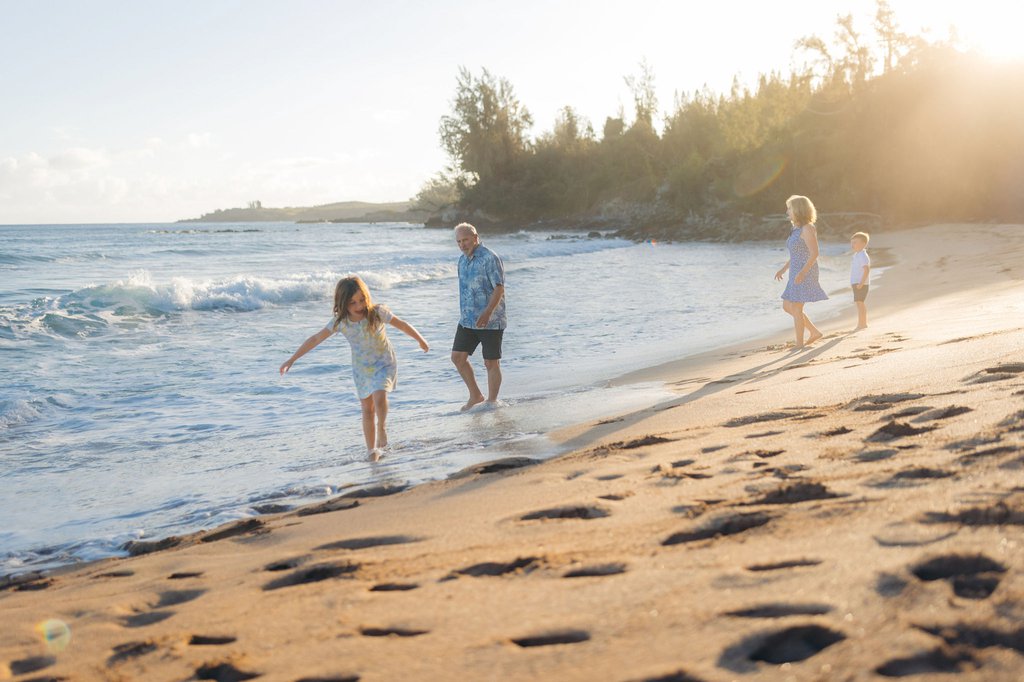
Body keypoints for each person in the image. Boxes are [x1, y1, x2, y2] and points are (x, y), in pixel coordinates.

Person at [279, 276, 429, 458]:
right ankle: (372, 451)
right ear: (343, 303)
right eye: (353, 303)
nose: (359, 306)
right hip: (361, 369)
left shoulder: (377, 313)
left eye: (362, 299)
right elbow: (316, 338)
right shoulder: (341, 322)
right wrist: (292, 359)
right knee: (367, 409)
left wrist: (420, 340)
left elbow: (402, 325)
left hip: (384, 363)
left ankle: (382, 428)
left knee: (379, 394)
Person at [451, 222, 506, 411]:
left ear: (475, 238)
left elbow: (499, 288)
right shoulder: (462, 260)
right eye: (459, 241)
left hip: (491, 320)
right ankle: (475, 395)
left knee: (491, 362)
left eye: (465, 240)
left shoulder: (490, 258)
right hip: (467, 320)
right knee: (457, 357)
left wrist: (488, 312)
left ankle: (492, 402)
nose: (462, 245)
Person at [775, 195, 828, 349]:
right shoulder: (795, 229)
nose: (787, 211)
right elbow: (796, 254)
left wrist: (803, 273)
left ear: (798, 209)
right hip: (795, 271)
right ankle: (814, 332)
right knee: (787, 306)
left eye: (789, 208)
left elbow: (814, 253)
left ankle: (799, 344)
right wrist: (784, 269)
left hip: (806, 271)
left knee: (797, 308)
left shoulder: (807, 228)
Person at [850, 231, 871, 330]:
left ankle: (862, 323)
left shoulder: (862, 255)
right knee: (859, 303)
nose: (852, 245)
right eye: (852, 242)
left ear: (863, 244)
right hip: (856, 283)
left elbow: (866, 269)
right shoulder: (857, 255)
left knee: (860, 303)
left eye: (855, 242)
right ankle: (861, 323)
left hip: (861, 283)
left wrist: (861, 283)